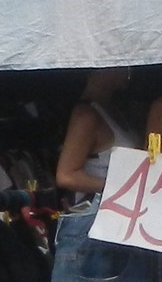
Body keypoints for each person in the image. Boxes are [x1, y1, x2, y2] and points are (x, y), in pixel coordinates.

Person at [52, 67, 139, 195]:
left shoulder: (113, 109)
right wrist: (122, 187)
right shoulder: (86, 116)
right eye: (122, 64)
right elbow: (66, 176)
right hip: (104, 209)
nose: (129, 70)